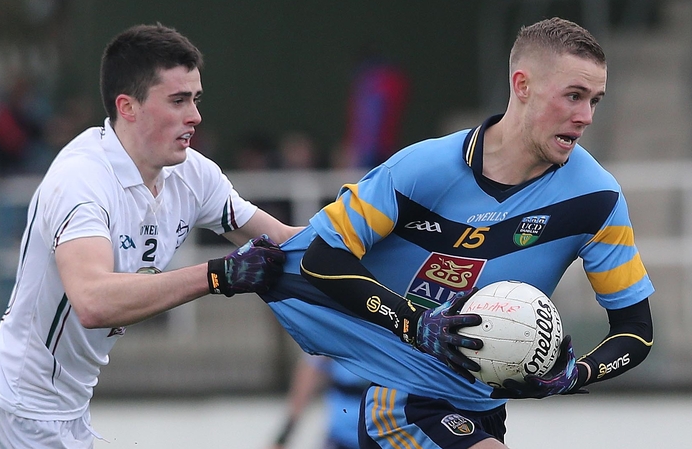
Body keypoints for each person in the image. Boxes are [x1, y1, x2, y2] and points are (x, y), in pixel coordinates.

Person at [260, 17, 654, 449]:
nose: (585, 117)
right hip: (403, 399)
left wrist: (576, 374)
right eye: (573, 97)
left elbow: (635, 329)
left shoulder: (597, 199)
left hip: (483, 410)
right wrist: (416, 324)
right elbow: (322, 258)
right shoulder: (422, 168)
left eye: (595, 100)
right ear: (522, 86)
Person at [0, 23, 299, 448]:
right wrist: (218, 275)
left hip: (66, 414)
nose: (194, 115)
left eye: (195, 99)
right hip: (14, 415)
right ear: (128, 107)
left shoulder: (193, 173)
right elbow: (93, 301)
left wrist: (373, 232)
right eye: (177, 100)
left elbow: (286, 241)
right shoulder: (82, 180)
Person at [270, 354, 370, 449]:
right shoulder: (335, 339)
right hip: (342, 437)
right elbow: (306, 382)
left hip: (380, 437)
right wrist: (283, 437)